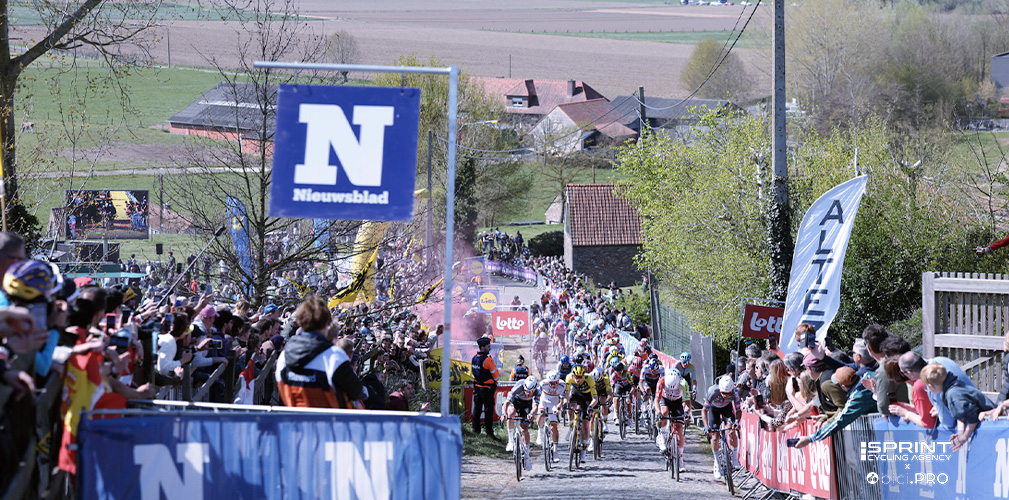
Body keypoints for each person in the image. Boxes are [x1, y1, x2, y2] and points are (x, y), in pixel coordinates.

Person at [275, 296, 367, 408]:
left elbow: (283, 394)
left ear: (299, 322)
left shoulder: (283, 357)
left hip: (296, 421)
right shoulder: (334, 356)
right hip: (331, 422)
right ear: (326, 323)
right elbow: (356, 392)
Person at [920, 363, 994, 451]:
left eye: (926, 386)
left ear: (931, 386)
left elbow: (973, 418)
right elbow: (961, 414)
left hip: (992, 423)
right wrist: (960, 433)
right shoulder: (951, 386)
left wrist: (964, 437)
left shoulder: (953, 395)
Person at [702, 376, 741, 479]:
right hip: (714, 410)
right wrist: (706, 426)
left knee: (731, 430)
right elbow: (704, 410)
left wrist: (736, 421)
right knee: (715, 436)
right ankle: (716, 463)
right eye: (723, 392)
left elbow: (738, 410)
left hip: (727, 409)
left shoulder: (735, 392)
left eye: (728, 393)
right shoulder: (713, 391)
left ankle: (735, 458)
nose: (725, 395)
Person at [655, 371, 690, 473]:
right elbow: (656, 400)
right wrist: (658, 413)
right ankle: (661, 435)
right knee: (664, 413)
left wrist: (687, 412)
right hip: (665, 400)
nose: (671, 390)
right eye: (669, 388)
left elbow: (688, 402)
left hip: (677, 402)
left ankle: (680, 459)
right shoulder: (661, 381)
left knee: (679, 427)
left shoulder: (683, 383)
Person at [502, 377, 540, 471]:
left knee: (524, 428)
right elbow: (506, 403)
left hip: (527, 405)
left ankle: (527, 457)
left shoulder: (538, 390)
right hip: (516, 401)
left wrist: (532, 414)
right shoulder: (518, 386)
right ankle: (510, 441)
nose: (528, 394)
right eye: (526, 391)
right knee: (510, 413)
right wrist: (504, 414)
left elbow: (535, 406)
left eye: (530, 392)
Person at [564, 364, 598, 463]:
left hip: (587, 397)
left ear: (584, 375)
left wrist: (591, 407)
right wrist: (565, 403)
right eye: (576, 377)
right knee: (571, 407)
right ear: (573, 375)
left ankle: (583, 451)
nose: (578, 379)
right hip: (576, 394)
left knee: (586, 424)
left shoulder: (590, 379)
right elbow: (566, 394)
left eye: (580, 377)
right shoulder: (569, 377)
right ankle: (572, 428)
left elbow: (595, 398)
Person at [471, 337, 500, 438]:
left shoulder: (474, 358)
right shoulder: (488, 360)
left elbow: (473, 373)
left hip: (477, 388)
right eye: (488, 346)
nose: (489, 348)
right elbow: (496, 375)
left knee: (477, 410)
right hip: (487, 389)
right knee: (488, 411)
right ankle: (489, 433)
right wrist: (494, 384)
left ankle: (475, 430)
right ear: (483, 347)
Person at [537, 370, 565, 462]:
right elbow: (536, 396)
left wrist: (558, 408)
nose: (553, 385)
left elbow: (561, 401)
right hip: (544, 400)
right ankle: (540, 432)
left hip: (554, 403)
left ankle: (555, 451)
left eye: (555, 383)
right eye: (551, 383)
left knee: (554, 427)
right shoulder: (542, 384)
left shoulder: (562, 385)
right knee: (541, 414)